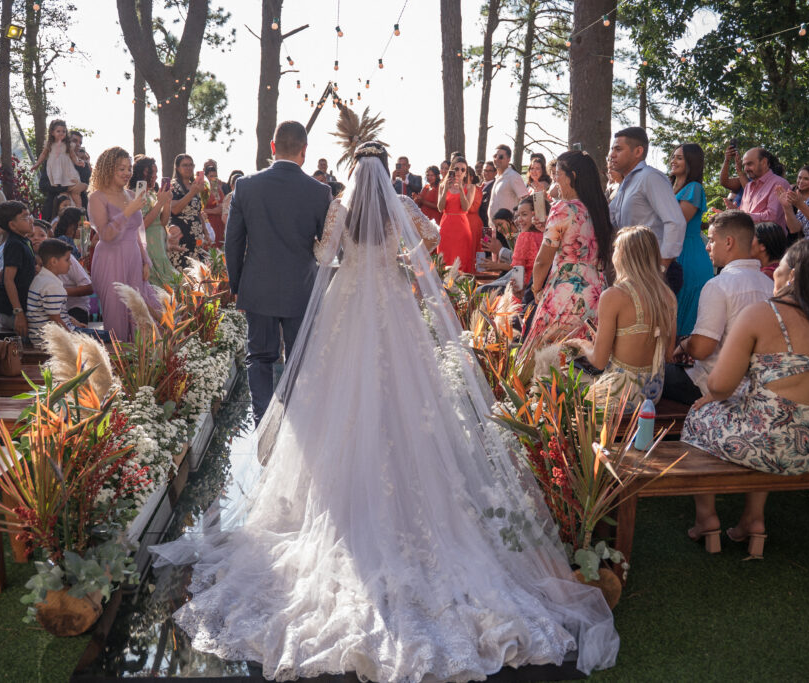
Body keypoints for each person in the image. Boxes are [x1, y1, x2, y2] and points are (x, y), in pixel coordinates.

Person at [152, 138, 618, 680]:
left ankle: (343, 493)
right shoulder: (399, 205)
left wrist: (340, 251)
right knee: (405, 397)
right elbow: (430, 241)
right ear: (383, 171)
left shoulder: (341, 207)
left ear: (355, 170)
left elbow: (322, 256)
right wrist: (395, 256)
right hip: (393, 307)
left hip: (348, 305)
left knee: (339, 398)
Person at [682, 240, 809, 558]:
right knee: (770, 417)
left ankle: (706, 517)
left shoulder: (762, 314)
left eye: (779, 267)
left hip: (773, 445)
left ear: (791, 275)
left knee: (699, 416)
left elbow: (719, 385)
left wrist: (717, 393)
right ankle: (752, 519)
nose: (774, 274)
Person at [225, 121, 332, 424]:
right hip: (301, 288)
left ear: (273, 147)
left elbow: (233, 242)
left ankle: (263, 424)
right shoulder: (319, 192)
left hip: (258, 288)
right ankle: (295, 423)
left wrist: (238, 284)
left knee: (260, 358)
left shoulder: (245, 186)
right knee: (298, 359)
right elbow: (327, 247)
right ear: (304, 150)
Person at [662, 211, 773, 405]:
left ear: (729, 242)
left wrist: (684, 345)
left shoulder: (719, 285)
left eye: (712, 240)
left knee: (649, 374)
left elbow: (701, 350)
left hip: (713, 386)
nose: (707, 247)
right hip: (758, 388)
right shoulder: (769, 285)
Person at [566, 226, 677, 413]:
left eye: (616, 249)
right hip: (652, 393)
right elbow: (668, 354)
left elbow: (599, 361)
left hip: (619, 394)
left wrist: (582, 344)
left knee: (557, 376)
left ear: (623, 255)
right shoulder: (668, 296)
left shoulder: (614, 296)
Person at [527, 150, 614, 348]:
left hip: (566, 293)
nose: (554, 180)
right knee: (582, 357)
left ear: (572, 176)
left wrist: (536, 289)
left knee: (545, 356)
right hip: (595, 293)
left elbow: (543, 260)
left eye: (557, 174)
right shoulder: (599, 209)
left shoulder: (562, 208)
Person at [87, 147, 162, 342]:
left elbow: (137, 232)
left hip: (134, 258)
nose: (127, 173)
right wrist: (128, 211)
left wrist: (145, 261)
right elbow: (106, 235)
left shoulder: (130, 194)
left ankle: (144, 357)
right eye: (121, 169)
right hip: (110, 259)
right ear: (107, 169)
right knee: (117, 315)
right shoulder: (97, 198)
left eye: (129, 168)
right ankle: (119, 358)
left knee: (141, 313)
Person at [608, 126, 685, 293]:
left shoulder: (650, 177)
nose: (612, 154)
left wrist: (661, 267)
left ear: (638, 151)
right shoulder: (626, 183)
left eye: (618, 149)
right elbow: (609, 218)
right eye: (612, 149)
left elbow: (675, 222)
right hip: (633, 270)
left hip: (653, 271)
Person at [26, 239, 108, 342]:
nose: (70, 263)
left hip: (44, 336)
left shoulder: (41, 279)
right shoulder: (51, 286)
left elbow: (57, 313)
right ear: (53, 262)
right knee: (110, 337)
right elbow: (55, 320)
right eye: (67, 260)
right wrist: (71, 339)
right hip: (51, 339)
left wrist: (74, 322)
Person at [669, 143, 712, 336]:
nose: (673, 161)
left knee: (684, 305)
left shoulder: (693, 188)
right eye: (673, 156)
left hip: (688, 252)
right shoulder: (669, 186)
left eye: (679, 158)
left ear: (691, 162)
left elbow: (677, 222)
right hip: (672, 249)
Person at [128, 157, 178, 288]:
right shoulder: (137, 194)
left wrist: (166, 202)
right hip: (149, 245)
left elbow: (163, 222)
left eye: (156, 172)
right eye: (153, 172)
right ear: (143, 172)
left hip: (159, 245)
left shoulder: (152, 193)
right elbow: (142, 225)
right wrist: (159, 203)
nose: (156, 176)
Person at [0, 201, 36, 338]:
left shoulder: (25, 241)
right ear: (12, 225)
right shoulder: (15, 244)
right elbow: (8, 280)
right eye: (25, 217)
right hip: (11, 311)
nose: (31, 220)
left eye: (29, 215)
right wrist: (19, 313)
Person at [728, 148, 790, 230]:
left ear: (764, 162)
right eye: (744, 165)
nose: (746, 169)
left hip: (768, 237)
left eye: (749, 164)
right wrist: (732, 213)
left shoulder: (779, 183)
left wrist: (741, 216)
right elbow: (745, 214)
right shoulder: (748, 186)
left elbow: (772, 217)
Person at [30, 119, 86, 208]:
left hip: (67, 169)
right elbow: (43, 154)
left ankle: (80, 210)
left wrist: (77, 162)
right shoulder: (49, 144)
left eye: (63, 131)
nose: (61, 133)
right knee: (62, 195)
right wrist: (37, 164)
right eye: (58, 131)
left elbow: (72, 155)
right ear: (52, 132)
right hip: (55, 170)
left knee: (75, 193)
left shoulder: (67, 145)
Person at [436, 156, 477, 273]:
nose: (459, 172)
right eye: (457, 169)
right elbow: (440, 208)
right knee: (445, 258)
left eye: (463, 170)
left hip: (461, 227)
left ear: (466, 172)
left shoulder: (470, 187)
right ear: (451, 170)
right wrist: (445, 190)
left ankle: (461, 283)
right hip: (446, 226)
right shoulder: (442, 186)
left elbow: (465, 207)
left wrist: (461, 190)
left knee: (462, 259)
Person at [169, 154, 206, 267]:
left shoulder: (194, 186)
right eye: (185, 165)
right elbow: (175, 209)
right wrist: (191, 193)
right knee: (183, 269)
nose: (188, 168)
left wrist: (206, 233)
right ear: (177, 168)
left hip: (197, 238)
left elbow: (198, 212)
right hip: (181, 237)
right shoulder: (173, 186)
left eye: (191, 165)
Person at [487, 144, 529, 227]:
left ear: (509, 159)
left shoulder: (513, 176)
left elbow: (525, 200)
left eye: (501, 157)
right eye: (495, 156)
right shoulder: (498, 177)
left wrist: (517, 220)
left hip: (508, 228)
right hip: (495, 228)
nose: (497, 159)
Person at [200, 161, 226, 248]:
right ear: (206, 177)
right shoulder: (203, 189)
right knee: (209, 245)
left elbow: (223, 203)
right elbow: (199, 208)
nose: (213, 178)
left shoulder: (217, 188)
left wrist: (220, 207)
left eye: (215, 176)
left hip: (219, 221)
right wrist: (213, 211)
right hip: (208, 221)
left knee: (220, 245)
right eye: (211, 176)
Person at [527, 152, 552, 224]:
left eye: (537, 168)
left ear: (543, 171)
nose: (534, 171)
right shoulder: (530, 186)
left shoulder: (545, 186)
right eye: (532, 168)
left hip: (542, 221)